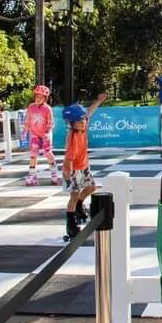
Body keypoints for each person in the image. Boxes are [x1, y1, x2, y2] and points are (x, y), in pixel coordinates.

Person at [61, 93, 108, 240]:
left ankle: (79, 206)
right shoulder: (72, 137)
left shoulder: (83, 124)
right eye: (79, 121)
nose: (83, 122)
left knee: (91, 188)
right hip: (72, 169)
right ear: (71, 123)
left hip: (84, 166)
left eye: (83, 120)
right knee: (73, 196)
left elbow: (89, 112)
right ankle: (71, 223)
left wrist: (99, 100)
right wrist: (68, 173)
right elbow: (68, 157)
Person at [23, 85, 58, 185]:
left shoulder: (48, 109)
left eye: (41, 97)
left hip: (45, 134)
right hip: (35, 134)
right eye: (37, 97)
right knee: (33, 154)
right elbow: (28, 120)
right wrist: (25, 131)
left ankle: (54, 174)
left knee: (48, 153)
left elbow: (50, 122)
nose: (38, 99)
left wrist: (47, 133)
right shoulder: (31, 107)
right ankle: (32, 175)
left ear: (45, 98)